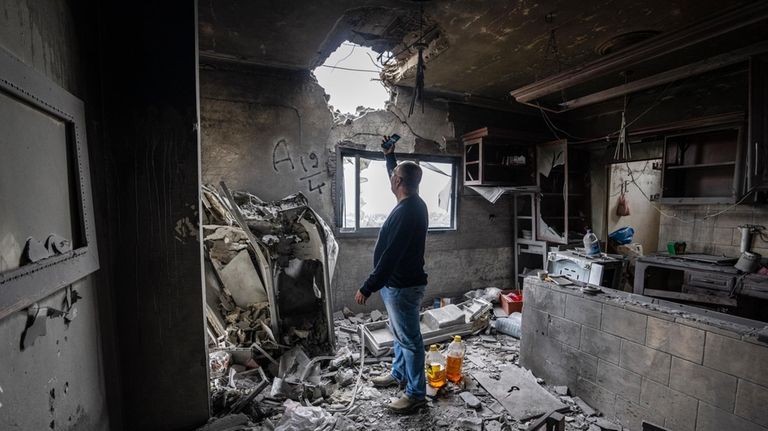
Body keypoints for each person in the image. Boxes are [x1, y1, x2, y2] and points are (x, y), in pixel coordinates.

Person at [354, 136, 429, 414]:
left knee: (410, 341)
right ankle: (399, 375)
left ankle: (416, 394)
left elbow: (391, 256)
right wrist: (390, 157)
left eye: (393, 177)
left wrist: (368, 286)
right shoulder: (411, 201)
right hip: (396, 285)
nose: (390, 179)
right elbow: (398, 175)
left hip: (402, 286)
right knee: (400, 336)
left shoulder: (407, 212)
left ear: (398, 183)